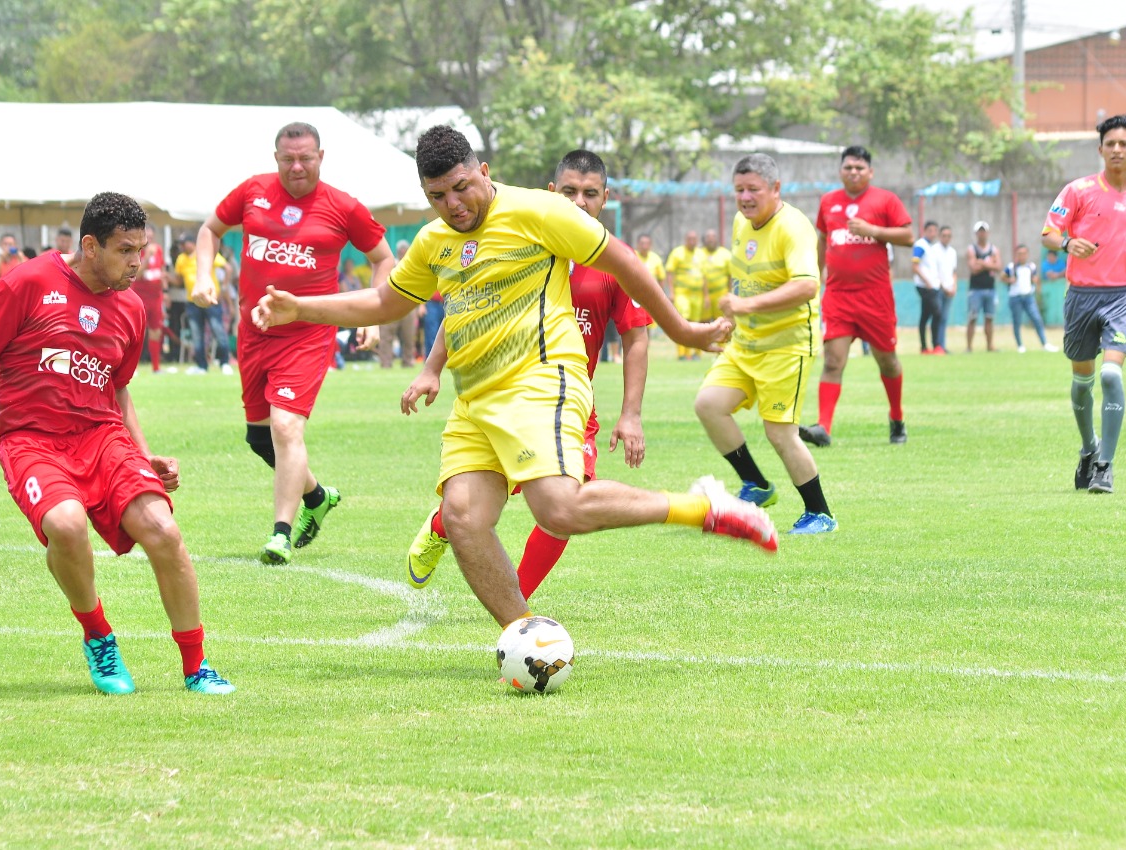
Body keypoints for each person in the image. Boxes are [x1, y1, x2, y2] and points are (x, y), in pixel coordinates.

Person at [251, 125, 777, 629]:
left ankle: (703, 507)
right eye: (438, 196)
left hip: (542, 379)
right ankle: (525, 635)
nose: (454, 204)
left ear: (483, 171)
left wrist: (682, 330)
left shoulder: (538, 210)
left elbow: (624, 262)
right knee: (462, 518)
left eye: (462, 187)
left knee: (559, 508)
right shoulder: (435, 241)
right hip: (475, 400)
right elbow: (386, 301)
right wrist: (301, 307)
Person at [0, 192, 233, 695]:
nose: (136, 262)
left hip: (102, 437)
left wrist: (143, 451)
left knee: (163, 531)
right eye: (125, 250)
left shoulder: (129, 308)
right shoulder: (30, 280)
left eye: (141, 250)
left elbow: (118, 388)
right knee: (65, 523)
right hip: (33, 441)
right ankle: (98, 637)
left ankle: (197, 666)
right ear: (90, 246)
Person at [402, 149, 656, 598]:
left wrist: (630, 414)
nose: (580, 203)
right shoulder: (531, 236)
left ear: (605, 198)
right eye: (571, 192)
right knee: (480, 496)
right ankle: (443, 525)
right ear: (553, 193)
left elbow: (636, 338)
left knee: (565, 506)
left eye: (591, 194)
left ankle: (518, 608)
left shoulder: (614, 264)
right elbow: (465, 305)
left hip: (563, 398)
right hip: (499, 393)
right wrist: (430, 369)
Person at [195, 121, 395, 565]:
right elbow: (210, 229)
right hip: (254, 332)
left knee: (287, 428)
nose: (297, 166)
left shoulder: (344, 208)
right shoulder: (252, 191)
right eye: (288, 159)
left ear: (321, 157)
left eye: (306, 158)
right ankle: (318, 496)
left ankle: (280, 534)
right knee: (260, 439)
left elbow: (385, 260)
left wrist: (376, 319)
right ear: (276, 159)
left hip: (307, 333)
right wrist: (203, 274)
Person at [694, 154, 836, 535]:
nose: (745, 197)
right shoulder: (742, 223)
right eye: (739, 189)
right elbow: (745, 281)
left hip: (786, 348)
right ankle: (757, 485)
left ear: (776, 189)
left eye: (753, 189)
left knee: (780, 433)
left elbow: (807, 285)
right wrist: (731, 319)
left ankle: (820, 513)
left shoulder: (794, 228)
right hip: (746, 343)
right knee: (709, 405)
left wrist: (747, 305)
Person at [1042, 114, 1126, 494]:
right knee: (1082, 382)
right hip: (1080, 296)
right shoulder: (1077, 191)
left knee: (1111, 375)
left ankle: (1105, 466)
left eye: (1124, 144)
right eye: (1110, 144)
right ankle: (1089, 448)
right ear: (1100, 150)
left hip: (1122, 296)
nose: (1116, 149)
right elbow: (1048, 233)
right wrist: (1066, 244)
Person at [802, 145, 914, 447]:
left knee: (887, 362)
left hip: (875, 297)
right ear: (841, 171)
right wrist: (814, 274)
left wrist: (873, 230)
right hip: (838, 296)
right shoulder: (829, 202)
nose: (853, 172)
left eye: (859, 168)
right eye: (848, 167)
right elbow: (824, 239)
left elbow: (908, 236)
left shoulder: (885, 200)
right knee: (833, 361)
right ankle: (823, 427)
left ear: (870, 172)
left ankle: (896, 419)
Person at [173, 234, 232, 375]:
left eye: (184, 243)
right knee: (196, 334)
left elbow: (227, 268)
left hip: (210, 298)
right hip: (192, 301)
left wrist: (223, 288)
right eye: (180, 244)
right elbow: (179, 281)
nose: (182, 247)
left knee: (218, 330)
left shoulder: (204, 253)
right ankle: (201, 365)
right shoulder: (181, 259)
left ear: (192, 243)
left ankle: (224, 362)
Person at [1002, 244, 1058, 353]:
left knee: (1037, 319)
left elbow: (1036, 280)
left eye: (1024, 253)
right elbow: (1002, 276)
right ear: (1016, 255)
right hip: (1015, 297)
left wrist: (1037, 286)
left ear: (1027, 254)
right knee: (1017, 322)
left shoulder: (1031, 267)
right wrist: (1010, 280)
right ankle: (1020, 345)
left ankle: (1044, 343)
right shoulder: (1011, 267)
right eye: (1019, 254)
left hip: (1028, 297)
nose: (1022, 256)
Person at [664, 229, 707, 360]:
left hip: (698, 294)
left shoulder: (701, 254)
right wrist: (671, 292)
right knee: (683, 321)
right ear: (685, 240)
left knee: (697, 322)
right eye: (690, 239)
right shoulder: (677, 253)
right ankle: (682, 353)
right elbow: (670, 272)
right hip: (682, 293)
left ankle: (696, 353)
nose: (692, 241)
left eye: (694, 239)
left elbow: (704, 276)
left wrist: (706, 296)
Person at [376, 239, 419, 368]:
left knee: (409, 337)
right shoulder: (391, 264)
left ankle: (408, 361)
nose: (403, 252)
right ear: (398, 252)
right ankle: (386, 362)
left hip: (409, 304)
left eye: (405, 250)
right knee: (386, 336)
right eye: (401, 250)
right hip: (391, 304)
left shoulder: (414, 265)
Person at [133, 224, 168, 373]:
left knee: (156, 331)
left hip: (156, 298)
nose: (150, 240)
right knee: (137, 334)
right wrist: (146, 258)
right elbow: (137, 275)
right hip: (140, 297)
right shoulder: (136, 252)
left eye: (151, 237)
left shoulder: (158, 250)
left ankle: (156, 367)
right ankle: (132, 368)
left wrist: (165, 290)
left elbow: (161, 270)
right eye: (147, 237)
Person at [965, 221, 1001, 353]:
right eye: (980, 231)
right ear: (976, 233)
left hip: (990, 289)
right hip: (975, 290)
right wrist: (989, 263)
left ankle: (990, 346)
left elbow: (998, 267)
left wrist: (981, 263)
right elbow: (973, 269)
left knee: (989, 318)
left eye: (984, 231)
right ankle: (969, 347)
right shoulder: (971, 249)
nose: (982, 234)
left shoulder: (994, 249)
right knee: (972, 318)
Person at [912, 220, 943, 353]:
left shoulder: (933, 247)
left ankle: (924, 347)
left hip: (933, 286)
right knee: (937, 313)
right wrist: (928, 282)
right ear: (925, 231)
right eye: (930, 230)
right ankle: (936, 345)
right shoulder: (921, 245)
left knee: (925, 315)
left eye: (935, 230)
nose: (933, 233)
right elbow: (915, 266)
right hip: (925, 286)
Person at [933, 225, 958, 353]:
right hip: (938, 289)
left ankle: (942, 345)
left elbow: (954, 271)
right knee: (937, 317)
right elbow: (934, 272)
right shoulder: (934, 250)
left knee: (944, 318)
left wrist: (954, 286)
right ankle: (937, 345)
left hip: (949, 289)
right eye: (944, 235)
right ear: (939, 236)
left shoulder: (952, 252)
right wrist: (943, 287)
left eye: (949, 236)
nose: (946, 238)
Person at [700, 228, 732, 321]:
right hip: (702, 296)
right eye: (708, 237)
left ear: (717, 239)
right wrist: (705, 296)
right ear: (704, 240)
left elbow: (730, 276)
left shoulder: (725, 254)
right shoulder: (699, 254)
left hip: (721, 295)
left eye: (713, 237)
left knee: (722, 322)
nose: (711, 239)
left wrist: (729, 294)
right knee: (703, 324)